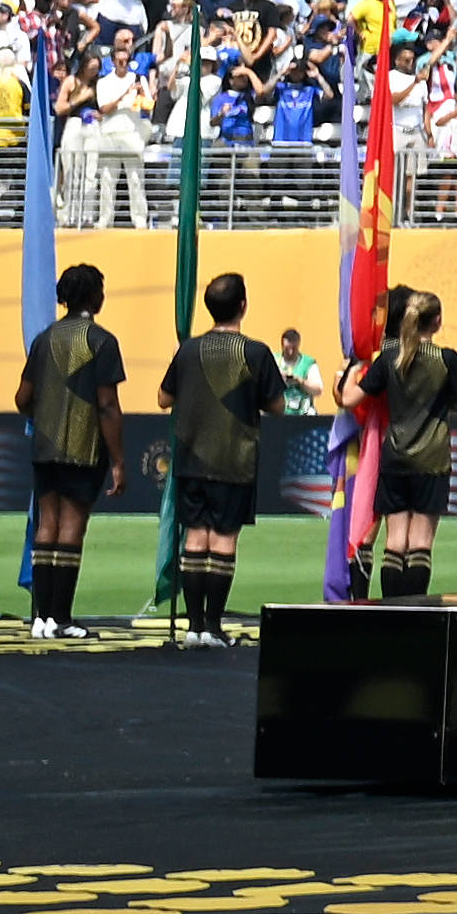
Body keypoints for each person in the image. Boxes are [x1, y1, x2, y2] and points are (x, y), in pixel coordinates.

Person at [161, 270, 283, 647]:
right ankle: (213, 627)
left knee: (195, 539)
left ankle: (194, 626)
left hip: (192, 457)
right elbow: (277, 405)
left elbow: (164, 399)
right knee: (224, 540)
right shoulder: (256, 353)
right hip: (235, 459)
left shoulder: (188, 350)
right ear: (243, 306)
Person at [15, 264, 126, 636]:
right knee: (72, 528)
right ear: (94, 297)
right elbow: (107, 405)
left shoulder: (44, 339)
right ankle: (61, 617)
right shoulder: (102, 341)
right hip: (84, 447)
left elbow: (22, 398)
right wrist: (119, 461)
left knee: (46, 524)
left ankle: (41, 618)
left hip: (45, 446)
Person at [352, 286, 457, 598]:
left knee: (394, 542)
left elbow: (351, 397)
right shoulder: (447, 359)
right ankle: (415, 613)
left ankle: (391, 613)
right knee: (420, 544)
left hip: (395, 458)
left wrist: (349, 370)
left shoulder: (390, 358)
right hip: (432, 459)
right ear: (437, 321)